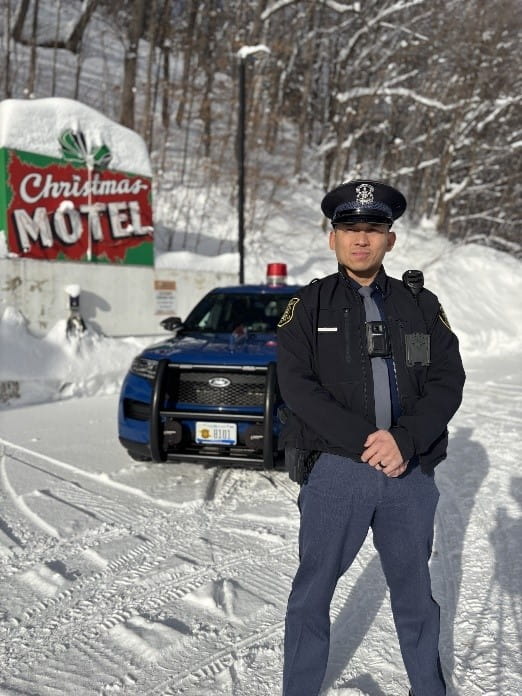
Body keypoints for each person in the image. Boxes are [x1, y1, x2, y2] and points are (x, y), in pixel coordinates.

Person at [277, 179, 465, 696]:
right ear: (331, 237)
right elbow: (297, 387)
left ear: (390, 240)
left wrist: (405, 440)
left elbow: (449, 379)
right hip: (338, 471)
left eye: (373, 229)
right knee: (311, 594)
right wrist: (369, 440)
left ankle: (430, 689)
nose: (361, 239)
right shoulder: (308, 306)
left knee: (415, 597)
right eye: (349, 228)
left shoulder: (420, 305)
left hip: (409, 474)